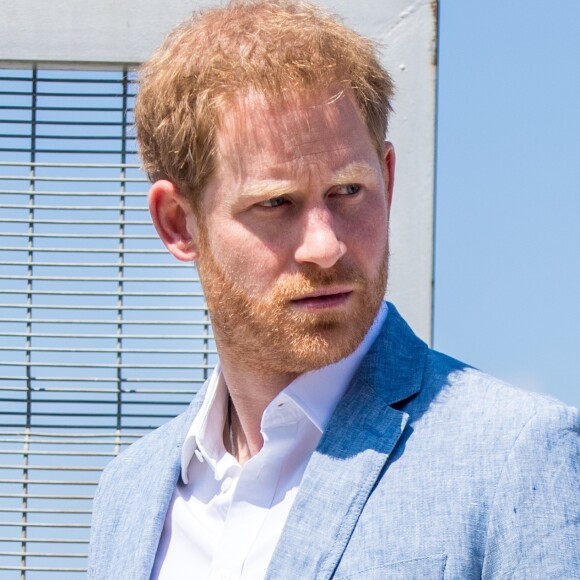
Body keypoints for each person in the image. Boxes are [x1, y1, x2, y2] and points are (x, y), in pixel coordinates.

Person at [88, 1, 579, 578]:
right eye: (276, 203)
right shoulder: (129, 494)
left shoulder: (519, 454)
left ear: (388, 180)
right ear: (178, 222)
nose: (325, 246)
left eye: (348, 190)